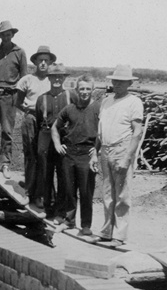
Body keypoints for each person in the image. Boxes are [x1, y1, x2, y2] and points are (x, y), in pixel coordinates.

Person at [94, 64, 144, 245]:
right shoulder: (106, 101)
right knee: (108, 194)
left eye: (122, 82)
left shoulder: (134, 102)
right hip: (105, 149)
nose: (117, 84)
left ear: (130, 83)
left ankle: (120, 235)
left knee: (122, 195)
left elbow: (137, 132)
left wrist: (127, 157)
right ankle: (106, 232)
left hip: (122, 149)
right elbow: (100, 130)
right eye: (115, 81)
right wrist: (95, 152)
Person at [52, 74, 101, 235]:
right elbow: (54, 128)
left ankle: (86, 225)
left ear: (93, 90)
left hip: (87, 154)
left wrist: (97, 150)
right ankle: (69, 221)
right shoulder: (69, 109)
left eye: (87, 89)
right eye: (82, 89)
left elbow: (103, 131)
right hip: (69, 154)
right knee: (69, 190)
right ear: (77, 90)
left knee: (86, 191)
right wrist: (57, 144)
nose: (84, 92)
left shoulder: (98, 108)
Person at [0, 21, 28, 178]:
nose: (6, 37)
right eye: (3, 34)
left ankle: (5, 163)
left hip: (10, 95)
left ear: (12, 35)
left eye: (8, 34)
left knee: (7, 130)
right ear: (0, 36)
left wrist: (18, 97)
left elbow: (24, 77)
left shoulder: (19, 52)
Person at [15, 45, 56, 200]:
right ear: (35, 62)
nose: (43, 63)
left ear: (50, 62)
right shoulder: (27, 80)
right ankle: (29, 192)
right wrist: (28, 110)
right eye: (40, 60)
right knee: (31, 155)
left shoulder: (52, 81)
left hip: (47, 122)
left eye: (46, 60)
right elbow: (18, 102)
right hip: (31, 119)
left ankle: (42, 194)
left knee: (44, 157)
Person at [34, 63, 71, 217]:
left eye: (59, 77)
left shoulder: (70, 96)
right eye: (54, 77)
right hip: (46, 135)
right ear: (48, 78)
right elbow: (38, 120)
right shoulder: (42, 98)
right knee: (46, 173)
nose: (57, 79)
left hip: (64, 137)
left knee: (63, 173)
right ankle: (48, 207)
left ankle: (60, 209)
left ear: (64, 78)